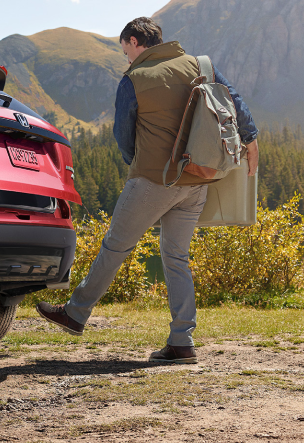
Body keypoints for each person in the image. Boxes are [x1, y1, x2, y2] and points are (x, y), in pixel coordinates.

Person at [35, 17, 259, 364]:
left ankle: (75, 313)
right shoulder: (201, 65)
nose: (126, 58)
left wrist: (136, 164)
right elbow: (234, 101)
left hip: (154, 180)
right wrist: (252, 137)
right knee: (176, 258)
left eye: (126, 50)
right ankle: (182, 342)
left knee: (115, 246)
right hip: (196, 181)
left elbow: (123, 135)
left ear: (136, 41)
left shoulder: (134, 79)